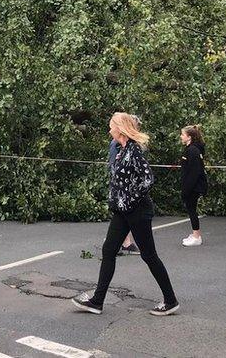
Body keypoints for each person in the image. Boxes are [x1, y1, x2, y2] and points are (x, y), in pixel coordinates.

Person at [73, 112, 180, 316]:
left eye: (111, 126)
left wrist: (129, 200)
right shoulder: (120, 150)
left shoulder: (134, 150)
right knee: (108, 250)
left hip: (138, 211)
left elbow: (147, 180)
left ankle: (170, 300)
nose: (109, 129)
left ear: (120, 128)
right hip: (122, 211)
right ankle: (97, 301)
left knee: (149, 256)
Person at [180, 125, 208, 247]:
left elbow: (194, 173)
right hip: (192, 185)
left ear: (189, 137)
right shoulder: (190, 149)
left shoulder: (193, 150)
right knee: (191, 209)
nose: (181, 137)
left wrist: (186, 189)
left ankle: (197, 236)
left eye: (182, 134)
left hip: (194, 186)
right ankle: (195, 234)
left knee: (192, 210)